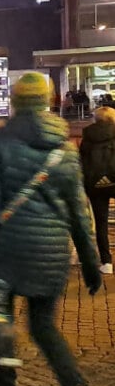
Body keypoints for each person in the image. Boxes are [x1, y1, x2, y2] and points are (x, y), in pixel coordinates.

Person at [0, 73, 104, 386]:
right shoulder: (64, 147)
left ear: (15, 101)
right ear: (48, 100)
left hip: (6, 253)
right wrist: (91, 262)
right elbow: (79, 211)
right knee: (44, 329)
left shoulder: (0, 143)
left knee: (1, 322)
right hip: (50, 252)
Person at [79, 105, 115, 274]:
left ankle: (106, 262)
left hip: (95, 184)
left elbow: (82, 161)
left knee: (101, 223)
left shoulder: (88, 136)